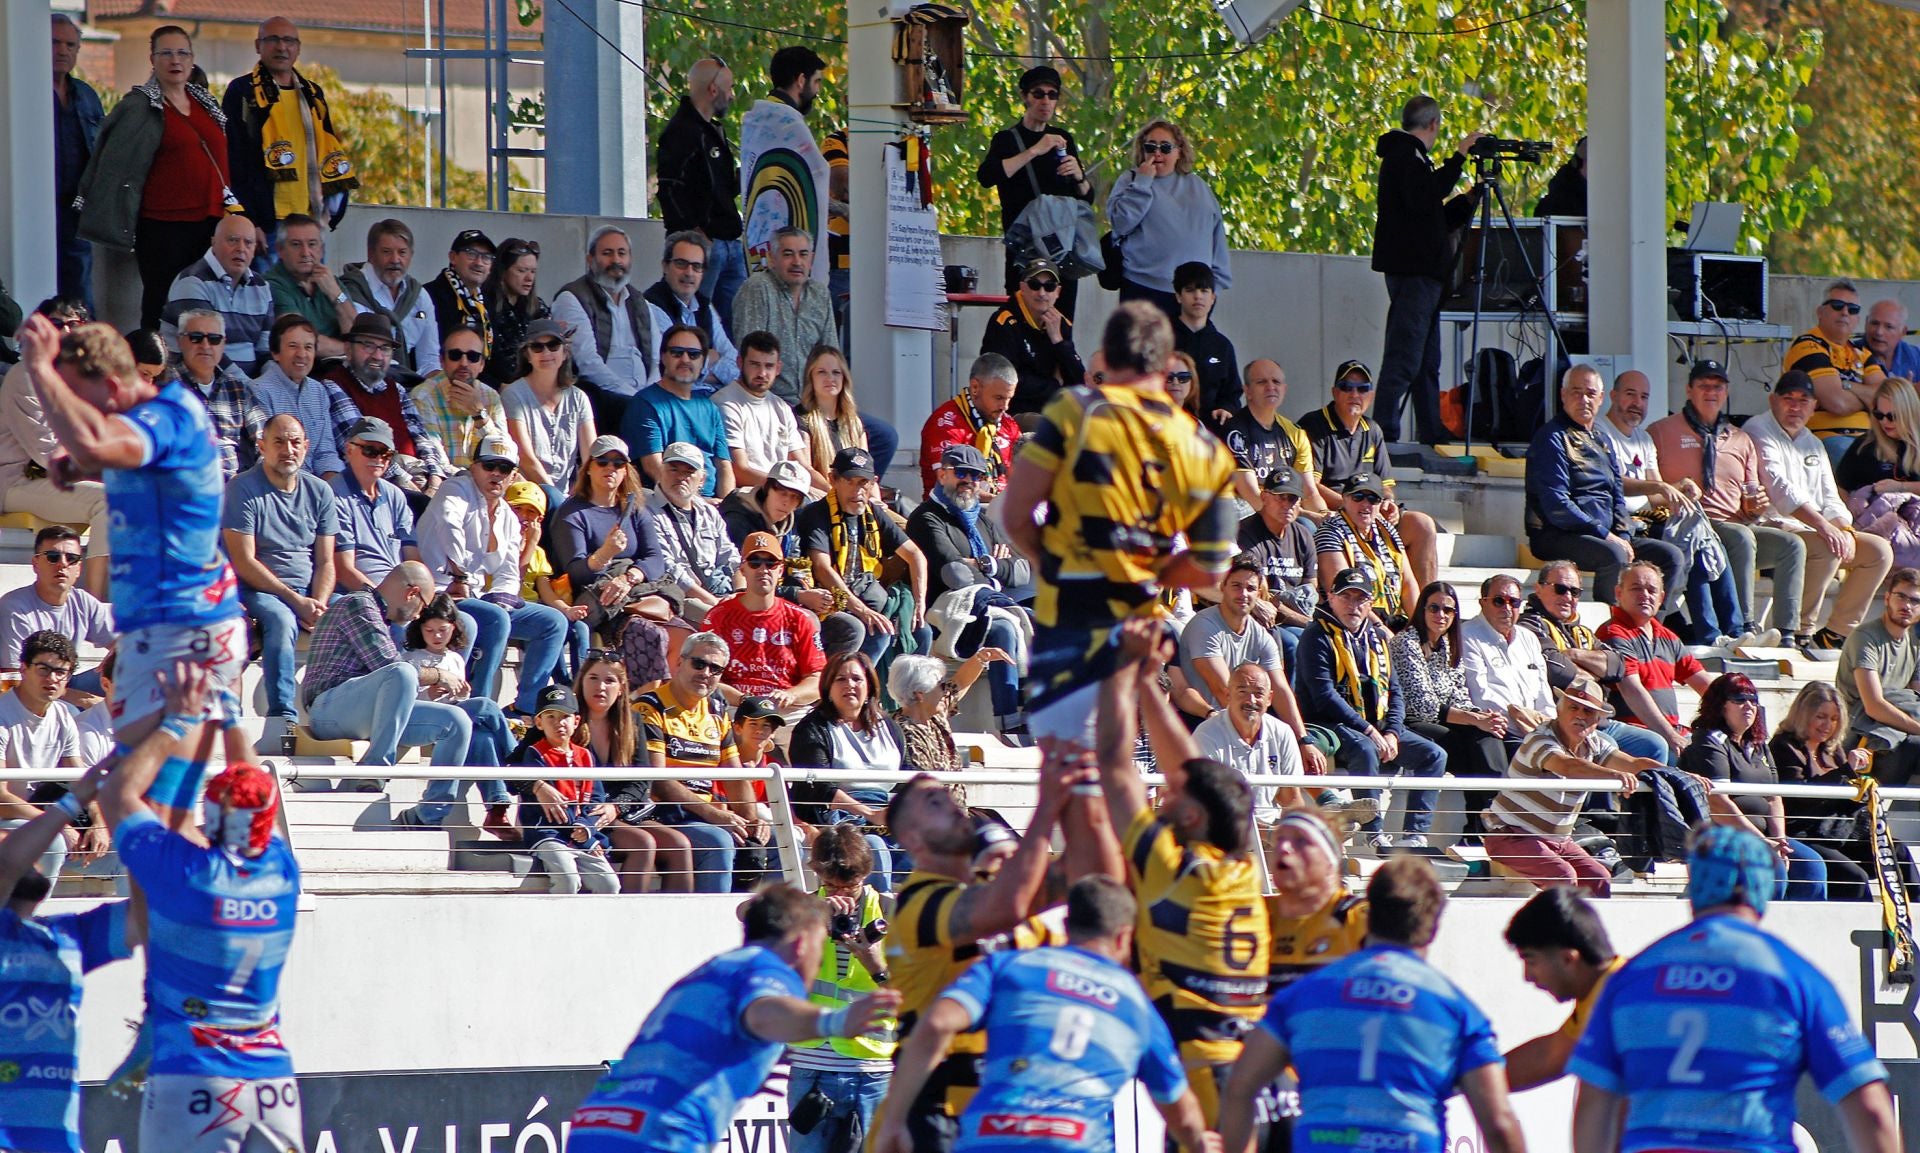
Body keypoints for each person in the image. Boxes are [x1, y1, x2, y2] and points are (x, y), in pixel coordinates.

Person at [19, 316, 251, 824]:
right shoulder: (135, 429)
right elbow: (107, 454)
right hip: (156, 626)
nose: (84, 413)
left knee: (161, 809)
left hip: (192, 625)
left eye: (85, 399)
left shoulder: (169, 417)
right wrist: (81, 461)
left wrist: (39, 369)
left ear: (112, 385)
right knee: (137, 809)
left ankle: (220, 870)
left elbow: (97, 444)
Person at [1568, 824, 1897, 1153]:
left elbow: (1593, 1102)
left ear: (1695, 886)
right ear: (1762, 885)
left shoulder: (1633, 976)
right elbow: (1869, 1107)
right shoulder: (1793, 976)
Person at [90, 663, 305, 1153]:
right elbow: (258, 790)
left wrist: (178, 722)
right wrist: (231, 720)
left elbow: (119, 794)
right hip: (273, 1082)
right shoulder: (281, 870)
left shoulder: (187, 872)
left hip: (193, 1077)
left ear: (213, 814)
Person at [1003, 303, 1235, 746]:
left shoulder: (1071, 413)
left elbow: (1015, 514)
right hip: (1137, 617)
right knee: (1124, 746)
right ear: (1165, 365)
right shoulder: (1202, 446)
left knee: (1073, 760)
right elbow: (1212, 568)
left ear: (1108, 363)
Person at [876, 875, 1212, 1153]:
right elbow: (1179, 1108)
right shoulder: (1135, 1004)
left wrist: (895, 1119)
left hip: (990, 1136)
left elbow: (937, 1023)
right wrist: (1199, 1142)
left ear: (1066, 924)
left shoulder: (1008, 967)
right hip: (1074, 1141)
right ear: (1125, 936)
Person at [1219, 856, 1525, 1153]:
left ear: (1370, 914)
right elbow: (1499, 1123)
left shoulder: (1304, 994)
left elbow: (1241, 1085)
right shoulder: (1455, 1010)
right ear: (1433, 926)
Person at [1091, 619, 1269, 1129]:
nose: (1162, 793)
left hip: (1208, 1072)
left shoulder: (1172, 869)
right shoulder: (1239, 865)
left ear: (1191, 816)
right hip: (1259, 1070)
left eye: (1170, 795)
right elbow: (1196, 776)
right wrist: (1149, 682)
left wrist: (1121, 675)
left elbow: (1116, 770)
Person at [876, 758, 1084, 1152]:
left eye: (949, 797)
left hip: (1007, 1104)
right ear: (914, 841)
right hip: (936, 1108)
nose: (954, 807)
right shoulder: (917, 902)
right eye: (935, 804)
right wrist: (1047, 806)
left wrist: (1084, 789)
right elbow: (1005, 907)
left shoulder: (988, 888)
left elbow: (1085, 875)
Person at [0, 757, 135, 1153]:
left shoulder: (69, 936)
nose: (32, 853)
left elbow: (148, 910)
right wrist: (71, 802)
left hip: (57, 1143)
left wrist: (125, 808)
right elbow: (8, 864)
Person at [75, 25, 232, 329]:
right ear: (153, 59)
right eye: (166, 53)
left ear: (192, 59)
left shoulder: (204, 101)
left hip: (211, 220)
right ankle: (152, 356)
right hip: (164, 224)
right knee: (162, 301)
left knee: (207, 303)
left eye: (182, 53)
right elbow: (115, 164)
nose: (175, 60)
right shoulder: (139, 106)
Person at [1649, 358, 1809, 643]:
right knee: (1741, 537)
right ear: (1689, 390)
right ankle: (1744, 627)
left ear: (1727, 392)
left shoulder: (1740, 438)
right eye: (1704, 386)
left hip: (1733, 524)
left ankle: (1788, 633)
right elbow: (1650, 488)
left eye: (1718, 387)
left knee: (1791, 545)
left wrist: (1756, 505)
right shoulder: (1661, 431)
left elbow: (1750, 499)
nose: (1711, 392)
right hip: (1690, 524)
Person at [416, 435, 570, 718]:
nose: (496, 474)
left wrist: (501, 599)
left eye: (504, 468)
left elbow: (508, 574)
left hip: (475, 597)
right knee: (495, 618)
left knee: (552, 621)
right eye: (489, 466)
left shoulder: (508, 517)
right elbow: (450, 527)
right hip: (438, 593)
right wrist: (461, 575)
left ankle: (525, 708)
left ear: (513, 475)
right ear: (474, 467)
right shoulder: (455, 489)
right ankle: (478, 706)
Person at [1296, 566, 1448, 850]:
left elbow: (1395, 691)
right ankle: (1373, 832)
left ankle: (1415, 835)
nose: (1353, 605)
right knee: (1365, 748)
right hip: (1332, 724)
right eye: (1346, 597)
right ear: (1331, 597)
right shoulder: (1316, 635)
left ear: (1370, 603)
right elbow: (1324, 696)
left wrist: (1392, 731)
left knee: (1434, 755)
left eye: (1360, 598)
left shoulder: (1377, 637)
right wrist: (1369, 730)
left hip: (1377, 724)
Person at [1682, 672, 1868, 902]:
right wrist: (1760, 841)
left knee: (1811, 868)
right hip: (1726, 835)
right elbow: (1718, 804)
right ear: (1720, 705)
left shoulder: (1758, 745)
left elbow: (1774, 797)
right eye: (1739, 699)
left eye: (1753, 700)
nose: (1748, 706)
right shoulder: (1710, 742)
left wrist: (1780, 840)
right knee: (1774, 870)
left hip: (1767, 835)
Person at [1742, 368, 1893, 652]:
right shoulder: (1758, 429)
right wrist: (1825, 528)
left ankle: (1835, 634)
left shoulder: (1811, 441)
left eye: (1803, 401)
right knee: (1827, 546)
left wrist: (1844, 529)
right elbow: (1780, 489)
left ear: (1814, 406)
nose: (1795, 407)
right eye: (1788, 399)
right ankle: (1799, 632)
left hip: (1811, 529)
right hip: (1771, 528)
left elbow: (1830, 495)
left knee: (1878, 551)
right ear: (1773, 400)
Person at [1369, 94, 1485, 445]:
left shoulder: (1410, 160)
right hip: (1415, 274)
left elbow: (1430, 219)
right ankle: (1386, 434)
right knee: (1405, 355)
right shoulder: (1404, 156)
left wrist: (1467, 201)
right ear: (1434, 123)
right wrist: (1459, 156)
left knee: (1425, 359)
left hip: (1424, 274)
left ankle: (1431, 429)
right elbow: (1426, 197)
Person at [1526, 364, 1686, 612]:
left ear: (1601, 399)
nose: (1584, 400)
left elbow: (1617, 496)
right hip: (1557, 533)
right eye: (1576, 392)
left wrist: (1623, 535)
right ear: (1563, 395)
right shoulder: (1552, 438)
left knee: (1671, 556)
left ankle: (1649, 627)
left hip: (1605, 533)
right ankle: (1609, 625)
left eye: (1590, 394)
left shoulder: (1602, 439)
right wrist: (1606, 534)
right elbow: (1557, 505)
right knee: (1614, 555)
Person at [223, 414, 338, 754]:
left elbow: (326, 561)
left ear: (307, 447)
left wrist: (318, 602)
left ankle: (342, 718)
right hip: (257, 590)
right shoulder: (242, 488)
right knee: (281, 619)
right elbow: (244, 561)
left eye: (295, 442)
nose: (288, 450)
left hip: (308, 593)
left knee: (358, 613)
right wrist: (296, 602)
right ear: (261, 446)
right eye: (279, 442)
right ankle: (282, 717)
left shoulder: (320, 491)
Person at [302, 561, 471, 787]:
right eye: (422, 607)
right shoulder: (358, 604)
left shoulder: (379, 616)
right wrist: (440, 675)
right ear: (412, 593)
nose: (418, 616)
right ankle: (374, 771)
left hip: (365, 712)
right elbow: (390, 666)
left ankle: (434, 807)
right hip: (327, 711)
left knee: (456, 720)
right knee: (402, 671)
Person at [1485, 673, 1651, 897]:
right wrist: (1615, 775)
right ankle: (1558, 921)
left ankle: (1586, 922)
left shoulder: (1594, 743)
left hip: (1559, 840)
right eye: (1573, 707)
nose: (1580, 715)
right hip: (1510, 835)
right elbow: (1566, 766)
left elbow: (1633, 763)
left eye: (1588, 711)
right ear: (1559, 710)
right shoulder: (1540, 739)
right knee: (1562, 876)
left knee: (1598, 879)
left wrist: (1679, 775)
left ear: (1598, 720)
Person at [787, 826, 898, 1153]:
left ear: (865, 874)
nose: (841, 894)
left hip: (872, 1070)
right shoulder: (803, 911)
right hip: (811, 1066)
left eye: (850, 885)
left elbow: (914, 999)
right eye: (831, 884)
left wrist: (876, 965)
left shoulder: (891, 913)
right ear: (816, 872)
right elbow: (746, 914)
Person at [0, 300, 113, 598]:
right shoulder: (25, 375)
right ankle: (96, 602)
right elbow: (47, 452)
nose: (65, 331)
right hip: (17, 481)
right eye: (56, 323)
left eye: (74, 324)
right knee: (109, 501)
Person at [636, 632, 757, 894]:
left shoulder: (717, 711)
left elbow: (735, 776)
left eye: (715, 669)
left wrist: (753, 822)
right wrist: (717, 816)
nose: (706, 673)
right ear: (679, 663)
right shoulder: (650, 707)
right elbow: (658, 781)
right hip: (663, 813)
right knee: (719, 841)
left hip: (702, 815)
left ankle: (765, 920)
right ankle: (710, 919)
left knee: (775, 841)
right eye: (699, 664)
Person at [1300, 362, 1440, 586]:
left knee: (1422, 524)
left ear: (1371, 396)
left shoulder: (1372, 429)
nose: (1354, 394)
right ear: (1335, 392)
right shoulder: (1314, 424)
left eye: (1362, 388)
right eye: (1347, 387)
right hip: (1333, 515)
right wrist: (1354, 505)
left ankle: (1425, 604)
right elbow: (1310, 485)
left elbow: (1385, 485)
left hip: (1370, 512)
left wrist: (1387, 502)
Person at [1518, 561, 1671, 764]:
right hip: (1563, 722)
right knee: (1606, 747)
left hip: (1599, 720)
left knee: (1654, 744)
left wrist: (1572, 654)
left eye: (1575, 592)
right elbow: (1556, 670)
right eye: (1560, 589)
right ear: (1539, 589)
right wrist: (1596, 672)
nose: (1568, 597)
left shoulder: (1582, 632)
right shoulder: (1529, 625)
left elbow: (1618, 666)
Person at [221, 16, 352, 253]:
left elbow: (329, 148)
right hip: (268, 223)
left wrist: (333, 209)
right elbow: (234, 159)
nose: (281, 47)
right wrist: (250, 219)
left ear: (298, 48)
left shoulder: (312, 93)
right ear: (258, 45)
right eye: (273, 40)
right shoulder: (243, 91)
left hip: (310, 221)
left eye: (289, 40)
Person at [1771, 682, 1916, 894]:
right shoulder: (1784, 746)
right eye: (1821, 717)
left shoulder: (1832, 749)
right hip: (1807, 833)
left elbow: (1846, 788)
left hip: (1839, 830)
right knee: (1854, 877)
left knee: (1898, 853)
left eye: (1834, 719)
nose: (1827, 725)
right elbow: (1802, 796)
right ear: (1803, 715)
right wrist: (1847, 770)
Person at [975, 64, 1094, 319]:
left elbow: (1086, 198)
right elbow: (986, 176)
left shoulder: (1062, 138)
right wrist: (1035, 150)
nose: (1045, 101)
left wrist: (1079, 176)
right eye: (1038, 94)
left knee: (1060, 324)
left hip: (1060, 249)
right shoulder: (1007, 139)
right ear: (1025, 97)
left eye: (1052, 95)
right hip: (1024, 249)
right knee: (1022, 322)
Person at [787, 653, 909, 884]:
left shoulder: (890, 726)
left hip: (886, 811)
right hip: (838, 819)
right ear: (828, 688)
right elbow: (819, 789)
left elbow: (909, 775)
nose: (849, 685)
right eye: (840, 679)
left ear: (869, 686)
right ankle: (876, 907)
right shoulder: (812, 728)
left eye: (857, 679)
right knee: (872, 846)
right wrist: (870, 814)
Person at [400, 594, 516, 834]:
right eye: (429, 630)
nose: (436, 636)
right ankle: (516, 758)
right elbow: (406, 702)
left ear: (453, 628)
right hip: (426, 719)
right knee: (486, 706)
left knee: (483, 737)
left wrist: (462, 693)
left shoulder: (454, 659)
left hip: (454, 716)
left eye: (442, 630)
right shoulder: (411, 658)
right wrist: (430, 693)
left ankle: (497, 805)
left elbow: (457, 700)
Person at [1177, 559, 1317, 757]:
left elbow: (1280, 690)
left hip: (1243, 720)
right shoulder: (1204, 627)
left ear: (1258, 593)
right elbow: (1224, 692)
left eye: (1250, 588)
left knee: (1292, 741)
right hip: (1203, 722)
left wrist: (1303, 740)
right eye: (1236, 586)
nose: (1243, 594)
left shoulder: (1260, 635)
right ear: (1223, 587)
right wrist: (1266, 733)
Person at [1389, 581, 1509, 797]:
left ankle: (1491, 805)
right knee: (1459, 743)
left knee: (1488, 733)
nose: (1441, 615)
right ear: (1422, 610)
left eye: (1448, 610)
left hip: (1443, 717)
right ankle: (1486, 807)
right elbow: (1423, 706)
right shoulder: (1406, 642)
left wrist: (1484, 718)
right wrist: (1474, 719)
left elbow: (1459, 694)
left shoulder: (1448, 645)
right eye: (1434, 608)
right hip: (1410, 721)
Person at [1106, 119, 1230, 318]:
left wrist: (1217, 283)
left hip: (1192, 293)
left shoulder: (1198, 186)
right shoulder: (1130, 180)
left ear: (1179, 151)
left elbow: (1216, 234)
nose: (1157, 153)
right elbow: (1121, 223)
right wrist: (1142, 183)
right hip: (1142, 287)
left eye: (1165, 147)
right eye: (1150, 147)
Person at [1500, 888, 1620, 1092]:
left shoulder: (1618, 1001)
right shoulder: (1604, 990)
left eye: (1530, 961)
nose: (1527, 977)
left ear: (1568, 959)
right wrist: (1465, 1079)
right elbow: (1550, 1055)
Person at [552, 225, 669, 435]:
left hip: (642, 396)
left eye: (621, 253)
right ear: (590, 259)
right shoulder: (572, 298)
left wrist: (650, 393)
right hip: (602, 397)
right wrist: (634, 398)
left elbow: (657, 357)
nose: (616, 260)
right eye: (607, 253)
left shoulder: (638, 300)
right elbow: (588, 363)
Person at [317, 314, 450, 497]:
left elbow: (421, 437)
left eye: (385, 348)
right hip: (381, 483)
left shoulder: (397, 389)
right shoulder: (334, 385)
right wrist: (411, 487)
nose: (377, 356)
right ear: (348, 349)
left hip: (419, 474)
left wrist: (435, 478)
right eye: (368, 346)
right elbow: (364, 448)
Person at [657, 57, 749, 322]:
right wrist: (694, 234)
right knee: (694, 318)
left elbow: (718, 189)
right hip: (705, 244)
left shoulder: (714, 131)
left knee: (737, 321)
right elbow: (670, 189)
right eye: (729, 89)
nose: (731, 96)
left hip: (729, 241)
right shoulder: (681, 131)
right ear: (713, 89)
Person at [1595, 562, 1716, 760]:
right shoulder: (1613, 633)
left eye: (1651, 590)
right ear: (1618, 593)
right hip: (1636, 735)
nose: (1645, 595)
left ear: (1661, 597)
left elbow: (1706, 685)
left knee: (1719, 750)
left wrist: (1738, 706)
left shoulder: (1667, 636)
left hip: (1669, 732)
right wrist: (1671, 736)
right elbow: (1632, 690)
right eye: (1636, 588)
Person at [510, 685, 620, 894]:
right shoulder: (534, 753)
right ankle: (558, 915)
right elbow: (557, 805)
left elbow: (595, 798)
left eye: (565, 717)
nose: (558, 723)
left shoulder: (586, 755)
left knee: (610, 885)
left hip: (581, 834)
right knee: (568, 880)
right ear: (539, 723)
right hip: (549, 834)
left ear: (576, 721)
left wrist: (587, 827)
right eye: (550, 717)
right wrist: (581, 831)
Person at [705, 532, 826, 710]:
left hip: (786, 708)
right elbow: (706, 674)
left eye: (771, 563)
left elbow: (817, 679)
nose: (763, 570)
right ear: (742, 569)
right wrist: (744, 700)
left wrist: (791, 694)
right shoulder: (718, 616)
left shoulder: (800, 618)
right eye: (754, 562)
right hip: (734, 706)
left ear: (780, 570)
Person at [908, 442, 1030, 614]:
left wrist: (984, 563)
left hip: (987, 606)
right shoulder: (925, 518)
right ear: (942, 475)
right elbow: (956, 574)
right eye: (960, 472)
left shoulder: (982, 520)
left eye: (976, 475)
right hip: (947, 611)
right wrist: (996, 580)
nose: (968, 480)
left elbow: (1021, 571)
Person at [0, 526, 115, 697]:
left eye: (71, 558)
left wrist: (118, 653)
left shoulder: (83, 601)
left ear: (79, 568)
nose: (63, 564)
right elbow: (15, 681)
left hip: (67, 682)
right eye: (53, 557)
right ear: (35, 564)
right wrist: (82, 700)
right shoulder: (15, 608)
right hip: (31, 692)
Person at [733, 227, 840, 405]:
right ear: (771, 259)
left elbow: (831, 355)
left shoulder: (819, 294)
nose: (797, 262)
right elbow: (750, 358)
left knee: (876, 425)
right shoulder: (757, 288)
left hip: (814, 401)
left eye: (803, 254)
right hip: (768, 401)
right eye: (788, 254)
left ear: (811, 259)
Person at [1784, 279, 1884, 465]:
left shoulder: (1862, 353)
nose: (1845, 312)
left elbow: (1887, 399)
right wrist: (1868, 399)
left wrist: (1846, 386)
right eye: (1837, 305)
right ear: (1820, 312)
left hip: (1870, 439)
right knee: (1863, 465)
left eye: (1852, 309)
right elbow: (1837, 403)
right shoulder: (1807, 345)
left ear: (1857, 319)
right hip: (1824, 439)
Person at [627, 324, 735, 496]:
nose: (685, 359)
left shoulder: (710, 407)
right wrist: (697, 503)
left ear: (702, 361)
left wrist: (727, 506)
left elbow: (724, 467)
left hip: (713, 505)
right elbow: (653, 467)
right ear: (663, 357)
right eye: (677, 353)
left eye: (694, 354)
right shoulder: (645, 403)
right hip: (668, 502)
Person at [1192, 662, 1308, 821]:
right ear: (1228, 695)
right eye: (1242, 691)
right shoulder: (1206, 735)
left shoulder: (1283, 732)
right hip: (1223, 830)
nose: (1251, 700)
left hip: (1271, 829)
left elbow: (1292, 799)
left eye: (1259, 693)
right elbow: (1207, 803)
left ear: (1269, 699)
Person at [502, 316, 598, 508]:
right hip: (526, 494)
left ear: (565, 353)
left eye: (553, 345)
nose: (546, 352)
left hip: (567, 495)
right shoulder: (513, 394)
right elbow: (526, 459)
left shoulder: (578, 398)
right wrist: (558, 499)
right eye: (537, 347)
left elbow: (591, 455)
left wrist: (580, 492)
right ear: (527, 355)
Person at [247, 315, 358, 478]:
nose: (302, 354)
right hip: (280, 482)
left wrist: (334, 488)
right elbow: (270, 457)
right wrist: (313, 488)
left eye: (308, 347)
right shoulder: (258, 390)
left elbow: (326, 453)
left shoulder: (318, 391)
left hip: (318, 484)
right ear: (275, 353)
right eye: (293, 346)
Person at [158, 214, 271, 374]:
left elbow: (266, 350)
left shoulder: (261, 286)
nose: (241, 248)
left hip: (247, 384)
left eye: (248, 242)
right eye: (232, 240)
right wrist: (248, 386)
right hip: (193, 381)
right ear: (214, 242)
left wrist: (268, 383)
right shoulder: (192, 282)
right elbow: (206, 350)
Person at [981, 257, 1087, 418]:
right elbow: (1005, 379)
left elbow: (1079, 381)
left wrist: (1058, 341)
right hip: (1011, 412)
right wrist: (1054, 386)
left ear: (1057, 292)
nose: (1042, 293)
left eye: (1049, 287)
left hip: (1051, 409)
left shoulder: (1060, 323)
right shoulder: (1004, 322)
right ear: (1023, 288)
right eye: (1034, 285)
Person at [651, 442, 743, 627]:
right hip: (681, 597)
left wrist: (740, 594)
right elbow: (669, 569)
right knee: (728, 623)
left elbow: (731, 557)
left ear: (702, 479)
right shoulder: (646, 511)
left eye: (689, 472)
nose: (680, 477)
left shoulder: (709, 512)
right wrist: (715, 603)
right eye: (674, 469)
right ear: (661, 471)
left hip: (719, 590)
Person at [331, 416, 426, 597]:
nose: (379, 458)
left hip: (402, 596)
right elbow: (343, 570)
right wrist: (385, 601)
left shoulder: (395, 495)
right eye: (370, 450)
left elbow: (413, 558)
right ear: (349, 450)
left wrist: (422, 598)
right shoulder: (334, 495)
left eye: (386, 453)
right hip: (356, 596)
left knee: (465, 613)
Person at [1459, 573, 1554, 745]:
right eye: (1499, 601)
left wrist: (1550, 727)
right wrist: (1526, 723)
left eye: (1514, 602)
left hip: (1537, 730)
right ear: (1482, 603)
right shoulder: (1466, 636)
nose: (1507, 608)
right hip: (1500, 731)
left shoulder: (1528, 638)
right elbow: (1480, 696)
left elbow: (1543, 692)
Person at [340, 218, 441, 375]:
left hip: (405, 383)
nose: (395, 260)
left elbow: (429, 359)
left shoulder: (419, 296)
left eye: (402, 252)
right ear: (371, 254)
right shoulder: (353, 289)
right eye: (386, 252)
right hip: (360, 378)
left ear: (411, 255)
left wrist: (438, 385)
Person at [1313, 472, 1417, 625]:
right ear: (1344, 499)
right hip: (1354, 621)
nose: (1365, 504)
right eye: (1358, 497)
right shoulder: (1330, 532)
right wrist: (1382, 631)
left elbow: (1408, 583)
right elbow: (1342, 595)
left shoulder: (1387, 529)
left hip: (1393, 617)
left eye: (1373, 499)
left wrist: (1418, 627)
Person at [889, 649, 1013, 775]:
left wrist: (981, 658)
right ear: (919, 694)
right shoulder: (906, 733)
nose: (945, 691)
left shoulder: (934, 714)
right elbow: (925, 782)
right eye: (941, 686)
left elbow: (959, 682)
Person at [716, 330, 812, 492]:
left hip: (786, 491)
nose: (762, 373)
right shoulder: (725, 403)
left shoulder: (782, 407)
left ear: (778, 368)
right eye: (754, 364)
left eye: (769, 366)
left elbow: (803, 467)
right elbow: (739, 470)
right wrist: (790, 487)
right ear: (740, 362)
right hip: (749, 495)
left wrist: (831, 492)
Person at [52, 13, 103, 312]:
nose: (62, 50)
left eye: (70, 45)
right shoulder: (19, 92)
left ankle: (85, 340)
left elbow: (103, 151)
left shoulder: (86, 96)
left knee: (80, 291)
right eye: (54, 42)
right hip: (32, 209)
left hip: (77, 209)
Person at [645, 231, 740, 390]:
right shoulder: (652, 306)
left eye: (696, 266)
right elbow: (673, 370)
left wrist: (699, 368)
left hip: (712, 396)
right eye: (681, 264)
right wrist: (712, 358)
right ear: (665, 266)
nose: (689, 273)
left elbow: (736, 365)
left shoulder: (704, 306)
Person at [170, 307, 257, 481]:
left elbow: (264, 440)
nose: (205, 345)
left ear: (223, 343)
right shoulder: (164, 386)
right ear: (180, 341)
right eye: (196, 338)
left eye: (214, 339)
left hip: (236, 487)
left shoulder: (238, 389)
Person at [1223, 359, 1321, 513]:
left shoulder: (1295, 433)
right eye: (1261, 382)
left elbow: (1309, 493)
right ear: (1247, 391)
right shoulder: (1234, 432)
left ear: (1284, 389)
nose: (1270, 387)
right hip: (1247, 514)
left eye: (1276, 381)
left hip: (1286, 512)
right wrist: (1302, 516)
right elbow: (1250, 494)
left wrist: (1323, 515)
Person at [412, 326, 509, 472]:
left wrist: (479, 415)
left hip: (490, 480)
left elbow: (506, 454)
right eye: (455, 355)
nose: (464, 363)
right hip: (448, 481)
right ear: (442, 361)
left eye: (473, 357)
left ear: (482, 365)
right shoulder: (423, 397)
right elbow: (436, 462)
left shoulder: (491, 396)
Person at [798, 347, 899, 486]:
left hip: (852, 493)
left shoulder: (854, 422)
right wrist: (835, 494)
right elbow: (805, 470)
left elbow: (866, 471)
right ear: (810, 377)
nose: (830, 378)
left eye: (836, 372)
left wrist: (874, 497)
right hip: (819, 494)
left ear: (844, 378)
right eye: (821, 372)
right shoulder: (800, 419)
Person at [920, 354, 1020, 495]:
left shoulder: (1008, 424)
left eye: (1009, 399)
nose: (1005, 406)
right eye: (999, 398)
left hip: (1002, 503)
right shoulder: (946, 424)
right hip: (956, 505)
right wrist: (1000, 501)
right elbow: (953, 484)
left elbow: (1022, 476)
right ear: (975, 387)